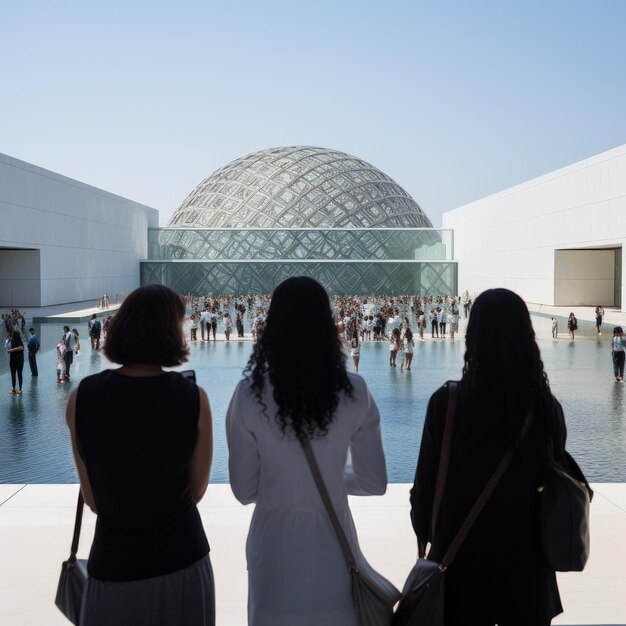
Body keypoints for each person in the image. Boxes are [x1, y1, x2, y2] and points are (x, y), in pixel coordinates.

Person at [226, 277, 390, 626]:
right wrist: (330, 478)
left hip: (272, 553)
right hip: (335, 552)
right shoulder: (355, 392)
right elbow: (374, 482)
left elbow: (243, 490)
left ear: (271, 328)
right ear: (328, 326)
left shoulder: (248, 395)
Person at [410, 288, 569, 626]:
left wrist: (427, 537)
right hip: (527, 574)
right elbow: (558, 485)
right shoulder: (545, 408)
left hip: (459, 569)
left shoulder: (447, 403)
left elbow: (423, 489)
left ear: (473, 336)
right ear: (526, 335)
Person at [65, 284, 215, 626]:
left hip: (113, 564)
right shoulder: (194, 399)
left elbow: (92, 498)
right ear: (170, 331)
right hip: (183, 560)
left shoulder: (82, 398)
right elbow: (197, 491)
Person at [7, 329, 24, 394]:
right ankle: (14, 389)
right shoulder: (11, 340)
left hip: (19, 360)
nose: (8, 334)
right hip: (13, 360)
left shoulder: (18, 340)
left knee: (19, 374)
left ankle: (20, 389)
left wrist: (11, 350)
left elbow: (21, 347)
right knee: (13, 374)